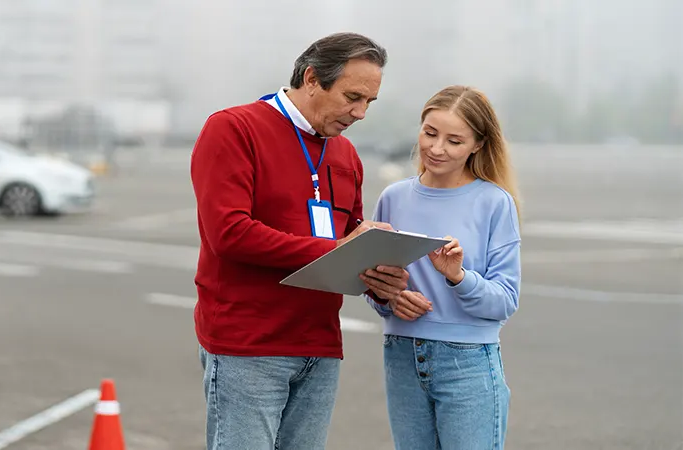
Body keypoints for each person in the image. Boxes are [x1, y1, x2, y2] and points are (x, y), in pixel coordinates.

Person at [190, 32, 410, 450]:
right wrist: (338, 250)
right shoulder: (233, 128)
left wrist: (381, 280)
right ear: (311, 79)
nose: (361, 113)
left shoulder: (346, 154)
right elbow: (229, 233)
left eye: (369, 102)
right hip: (248, 345)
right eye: (352, 97)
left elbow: (349, 242)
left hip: (321, 346)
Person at [363, 85, 522, 450]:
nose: (436, 148)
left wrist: (458, 277)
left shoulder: (494, 203)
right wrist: (390, 299)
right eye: (430, 133)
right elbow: (373, 280)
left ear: (478, 145)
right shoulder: (393, 198)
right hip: (401, 355)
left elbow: (505, 301)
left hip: (468, 362)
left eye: (454, 141)